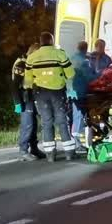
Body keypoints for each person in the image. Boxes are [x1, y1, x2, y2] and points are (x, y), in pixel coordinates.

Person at [24, 32, 76, 162]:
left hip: (40, 93)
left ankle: (50, 154)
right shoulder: (60, 54)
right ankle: (69, 152)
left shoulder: (32, 58)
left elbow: (28, 81)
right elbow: (70, 74)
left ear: (41, 42)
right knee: (62, 120)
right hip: (57, 92)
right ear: (52, 41)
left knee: (46, 122)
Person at [11, 43, 42, 161]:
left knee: (34, 124)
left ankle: (34, 148)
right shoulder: (21, 64)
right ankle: (23, 150)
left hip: (31, 96)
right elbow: (14, 85)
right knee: (27, 124)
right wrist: (17, 102)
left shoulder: (30, 63)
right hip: (24, 97)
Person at [69, 40, 96, 155]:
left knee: (73, 117)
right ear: (85, 49)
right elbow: (89, 77)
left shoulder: (71, 57)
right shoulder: (84, 62)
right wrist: (101, 74)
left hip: (69, 92)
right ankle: (78, 144)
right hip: (80, 91)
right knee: (79, 117)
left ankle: (74, 141)